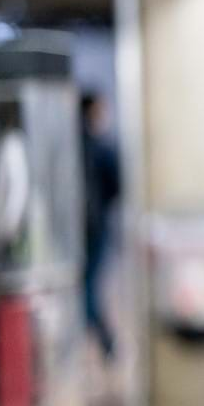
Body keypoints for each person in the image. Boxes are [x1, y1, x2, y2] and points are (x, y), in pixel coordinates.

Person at [80, 93, 120, 359]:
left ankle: (105, 341)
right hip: (94, 226)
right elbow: (116, 185)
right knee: (88, 290)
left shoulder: (79, 146)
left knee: (89, 288)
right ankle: (106, 341)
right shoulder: (98, 148)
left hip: (90, 226)